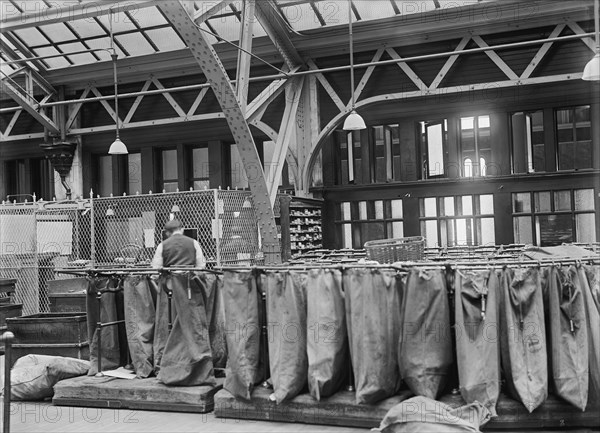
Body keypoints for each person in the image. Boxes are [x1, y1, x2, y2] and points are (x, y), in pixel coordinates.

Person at [151, 219, 215, 386]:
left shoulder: (162, 246)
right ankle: (196, 364)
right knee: (192, 327)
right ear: (182, 229)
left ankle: (169, 365)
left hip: (169, 293)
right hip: (189, 291)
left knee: (170, 327)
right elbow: (201, 267)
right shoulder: (194, 243)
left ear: (166, 232)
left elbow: (155, 270)